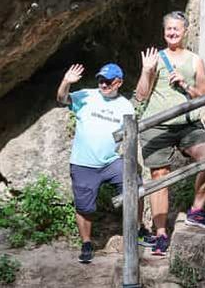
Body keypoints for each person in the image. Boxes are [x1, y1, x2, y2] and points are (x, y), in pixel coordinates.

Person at [135, 11, 205, 257]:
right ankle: (161, 233)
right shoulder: (155, 58)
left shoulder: (195, 60)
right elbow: (140, 95)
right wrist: (146, 71)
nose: (172, 32)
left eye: (176, 29)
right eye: (168, 29)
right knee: (159, 176)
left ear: (185, 31)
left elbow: (204, 94)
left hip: (187, 123)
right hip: (157, 124)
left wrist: (185, 83)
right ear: (164, 31)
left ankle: (196, 210)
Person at [56, 62, 136, 264]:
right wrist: (66, 81)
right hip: (83, 163)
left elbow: (130, 135)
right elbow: (62, 99)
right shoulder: (86, 95)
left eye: (108, 81)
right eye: (100, 80)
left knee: (135, 184)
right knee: (84, 208)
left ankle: (137, 229)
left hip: (111, 162)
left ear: (119, 83)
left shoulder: (126, 106)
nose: (103, 85)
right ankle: (86, 243)